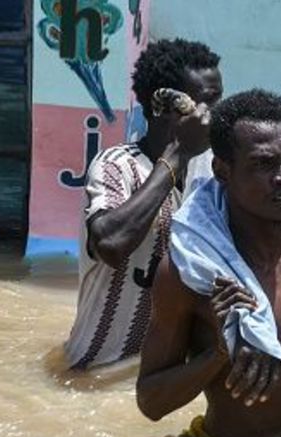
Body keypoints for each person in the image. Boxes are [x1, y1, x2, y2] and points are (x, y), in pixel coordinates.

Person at [136, 89, 281, 437]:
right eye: (263, 164)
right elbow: (150, 402)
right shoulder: (191, 273)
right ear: (222, 170)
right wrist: (218, 355)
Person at [64, 39, 223, 370]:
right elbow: (110, 243)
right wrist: (177, 155)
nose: (214, 115)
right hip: (95, 373)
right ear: (163, 107)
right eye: (206, 103)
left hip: (161, 377)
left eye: (218, 101)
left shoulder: (213, 170)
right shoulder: (115, 166)